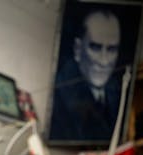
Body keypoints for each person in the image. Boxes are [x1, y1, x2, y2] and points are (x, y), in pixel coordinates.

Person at [49, 7, 122, 142]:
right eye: (95, 47)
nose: (104, 61)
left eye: (111, 49)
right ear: (78, 49)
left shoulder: (119, 91)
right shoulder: (60, 95)